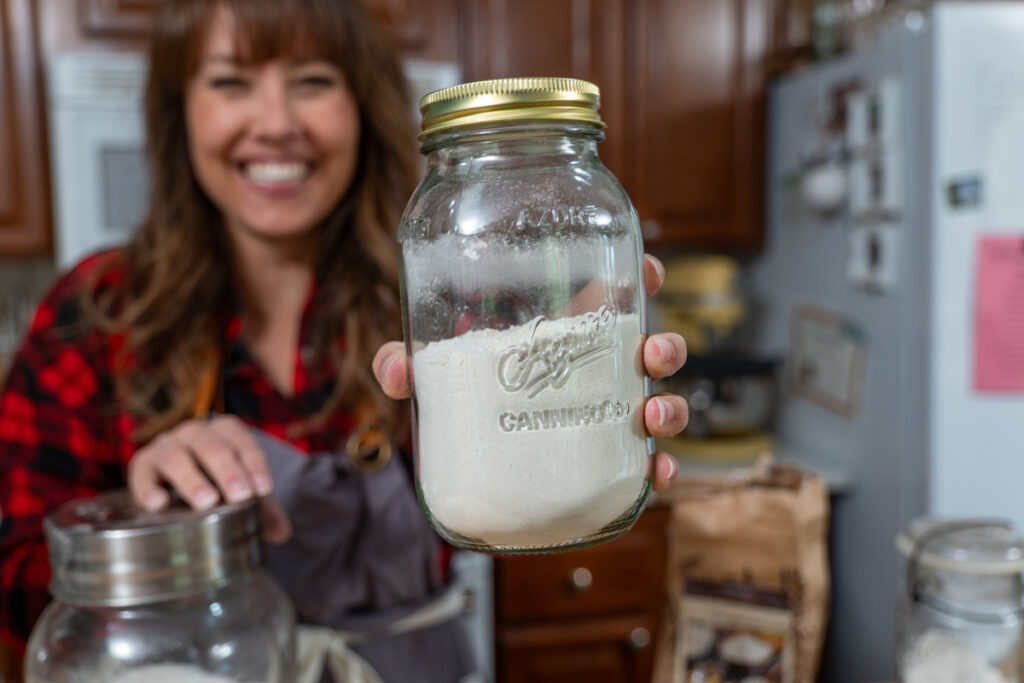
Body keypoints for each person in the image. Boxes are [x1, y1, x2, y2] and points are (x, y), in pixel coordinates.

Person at [0, 0, 690, 680]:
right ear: (178, 110)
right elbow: (17, 578)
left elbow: (513, 495)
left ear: (363, 104)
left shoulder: (448, 286)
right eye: (230, 82)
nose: (275, 125)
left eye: (313, 81)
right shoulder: (95, 316)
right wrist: (145, 524)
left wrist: (581, 433)